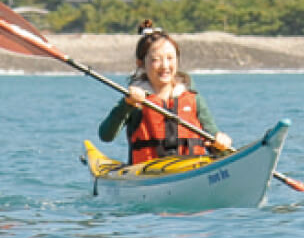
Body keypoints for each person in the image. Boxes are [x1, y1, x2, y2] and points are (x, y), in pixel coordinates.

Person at [99, 20, 232, 164]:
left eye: (170, 58)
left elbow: (213, 139)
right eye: (156, 60)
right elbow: (106, 136)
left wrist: (221, 142)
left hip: (191, 168)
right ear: (141, 63)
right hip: (148, 175)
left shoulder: (193, 98)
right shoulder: (135, 100)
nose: (165, 66)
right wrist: (127, 104)